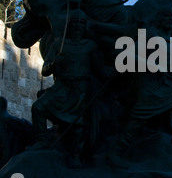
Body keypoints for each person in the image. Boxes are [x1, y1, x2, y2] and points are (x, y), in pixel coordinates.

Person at [108, 5, 172, 167]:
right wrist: (150, 64)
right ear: (159, 19)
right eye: (166, 16)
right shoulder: (150, 34)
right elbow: (125, 55)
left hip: (164, 86)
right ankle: (116, 152)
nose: (170, 20)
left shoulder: (169, 42)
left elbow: (169, 70)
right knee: (137, 121)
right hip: (147, 86)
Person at [31, 10, 113, 167]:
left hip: (80, 89)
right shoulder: (58, 44)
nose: (79, 26)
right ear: (70, 25)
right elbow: (45, 70)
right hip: (62, 86)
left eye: (82, 23)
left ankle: (76, 155)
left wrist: (113, 70)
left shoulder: (90, 46)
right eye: (76, 23)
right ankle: (42, 141)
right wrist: (54, 63)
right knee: (38, 108)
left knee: (78, 124)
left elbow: (100, 68)